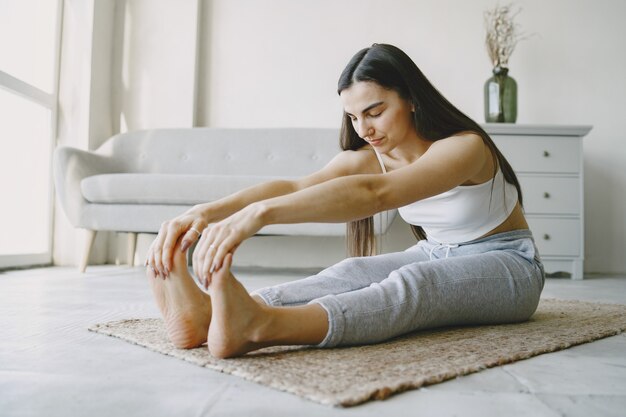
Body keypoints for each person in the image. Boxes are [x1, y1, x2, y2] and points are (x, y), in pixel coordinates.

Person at [145, 43, 545, 359]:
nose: (364, 128)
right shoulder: (370, 158)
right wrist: (206, 212)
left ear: (412, 100)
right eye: (354, 117)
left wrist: (259, 216)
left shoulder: (465, 148)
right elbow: (297, 185)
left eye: (375, 111)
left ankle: (260, 326)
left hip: (510, 264)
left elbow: (379, 194)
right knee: (349, 271)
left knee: (414, 284)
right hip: (436, 251)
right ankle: (209, 316)